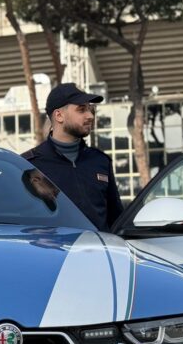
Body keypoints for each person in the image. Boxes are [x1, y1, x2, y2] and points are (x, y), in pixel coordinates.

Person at [22, 83, 123, 232]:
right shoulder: (29, 165)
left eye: (91, 109)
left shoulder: (100, 162)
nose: (90, 116)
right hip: (55, 253)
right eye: (81, 109)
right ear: (59, 115)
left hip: (98, 252)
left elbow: (116, 219)